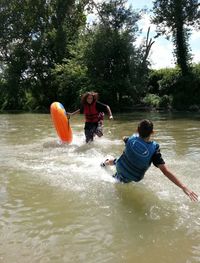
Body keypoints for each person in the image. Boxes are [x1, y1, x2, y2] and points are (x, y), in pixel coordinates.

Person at [101, 119, 198, 201]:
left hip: (120, 166)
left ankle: (105, 163)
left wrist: (125, 139)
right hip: (133, 176)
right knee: (125, 171)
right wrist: (183, 187)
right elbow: (166, 171)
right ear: (152, 132)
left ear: (137, 130)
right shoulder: (154, 150)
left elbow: (124, 138)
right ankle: (116, 175)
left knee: (117, 160)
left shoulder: (130, 139)